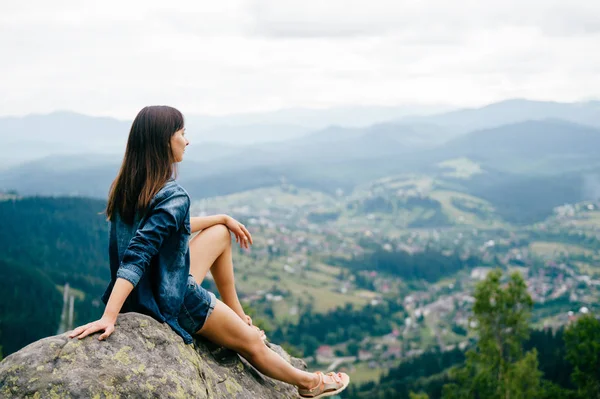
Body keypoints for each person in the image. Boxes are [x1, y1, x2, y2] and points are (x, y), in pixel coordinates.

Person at [68, 105, 349, 398]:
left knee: (220, 234)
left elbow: (165, 227)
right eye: (182, 133)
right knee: (252, 342)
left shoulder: (127, 186)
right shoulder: (172, 193)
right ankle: (309, 383)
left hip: (146, 291)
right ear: (165, 140)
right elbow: (137, 255)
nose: (186, 141)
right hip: (173, 299)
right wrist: (109, 316)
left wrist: (221, 218)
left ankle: (236, 313)